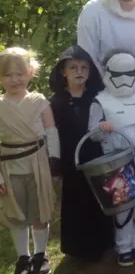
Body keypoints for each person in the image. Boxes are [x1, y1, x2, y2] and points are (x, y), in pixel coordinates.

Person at [89, 50, 135, 267]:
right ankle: (123, 245)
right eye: (117, 73)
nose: (123, 79)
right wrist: (101, 128)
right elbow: (92, 133)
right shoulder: (100, 101)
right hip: (116, 162)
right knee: (122, 203)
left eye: (128, 73)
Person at [0, 48, 60, 274]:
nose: (14, 79)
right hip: (9, 168)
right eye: (7, 75)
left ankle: (40, 255)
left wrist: (54, 163)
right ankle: (23, 257)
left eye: (19, 73)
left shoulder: (39, 102)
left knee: (40, 211)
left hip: (38, 164)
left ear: (30, 73)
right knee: (17, 214)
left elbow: (51, 132)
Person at [49, 45, 113, 262]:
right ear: (63, 72)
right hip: (70, 160)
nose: (79, 72)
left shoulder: (98, 98)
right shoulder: (54, 103)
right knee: (75, 202)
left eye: (84, 67)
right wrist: (55, 164)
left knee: (97, 199)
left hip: (95, 156)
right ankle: (77, 247)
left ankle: (102, 243)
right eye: (73, 67)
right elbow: (51, 136)